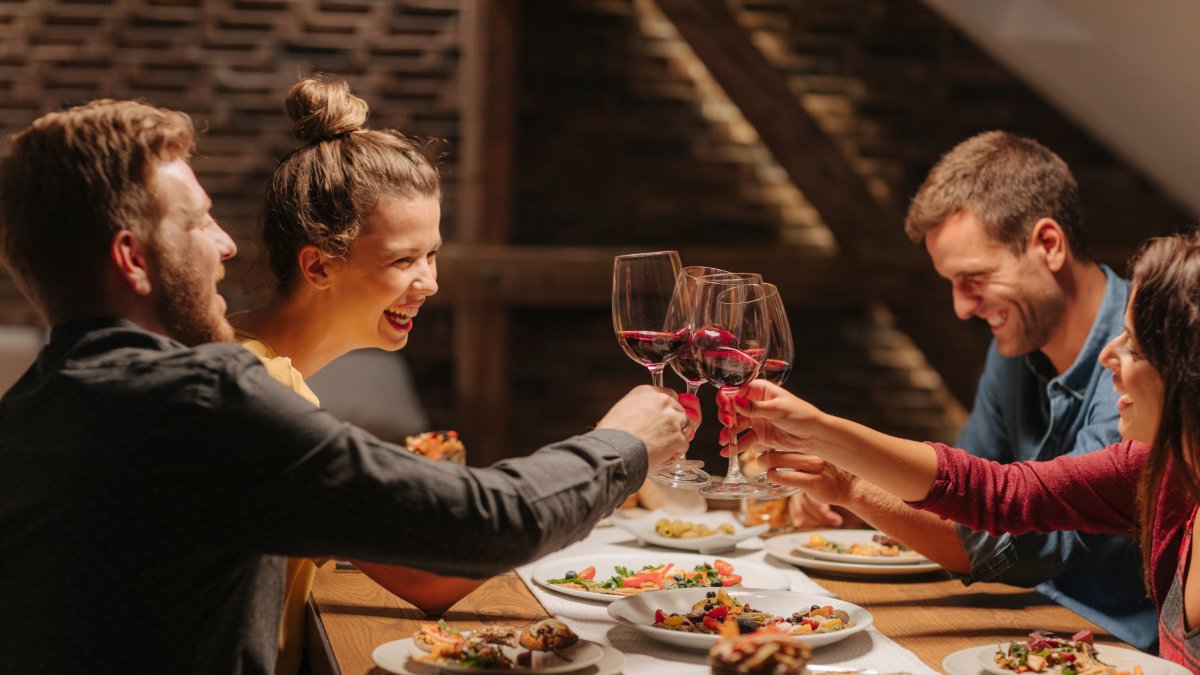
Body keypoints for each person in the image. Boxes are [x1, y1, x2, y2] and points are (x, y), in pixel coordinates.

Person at [0, 99, 700, 673]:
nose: (226, 243)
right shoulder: (201, 398)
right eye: (197, 221)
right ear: (131, 258)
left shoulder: (32, 406)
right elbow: (485, 523)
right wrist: (623, 442)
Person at [736, 231, 1200, 668]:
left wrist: (843, 471)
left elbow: (1026, 542)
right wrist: (819, 433)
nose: (1107, 356)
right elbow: (993, 492)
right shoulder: (1159, 468)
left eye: (1135, 347)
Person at [779, 131, 1156, 649]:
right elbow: (957, 494)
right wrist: (852, 499)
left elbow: (1022, 538)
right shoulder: (1016, 349)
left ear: (1048, 245)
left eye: (974, 277)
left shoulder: (1147, 365)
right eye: (952, 283)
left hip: (1124, 648)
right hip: (1021, 623)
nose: (961, 308)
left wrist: (854, 485)